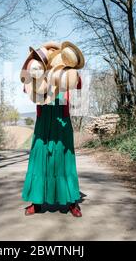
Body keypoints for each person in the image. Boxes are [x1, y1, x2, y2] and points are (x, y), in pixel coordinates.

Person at [21, 89, 82, 217]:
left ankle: (71, 202)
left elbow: (78, 83)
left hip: (61, 113)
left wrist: (68, 72)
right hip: (43, 113)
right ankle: (36, 202)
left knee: (65, 156)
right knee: (39, 155)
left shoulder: (67, 70)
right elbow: (27, 86)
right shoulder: (40, 69)